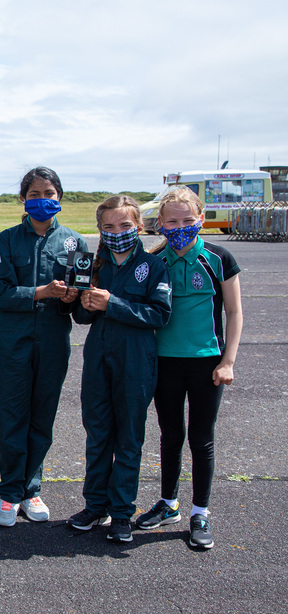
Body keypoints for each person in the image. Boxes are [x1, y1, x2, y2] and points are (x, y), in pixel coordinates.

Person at [134, 187, 243, 549]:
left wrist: (228, 360)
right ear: (160, 224)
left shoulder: (218, 257)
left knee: (201, 437)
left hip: (207, 363)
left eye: (187, 220)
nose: (180, 227)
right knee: (170, 435)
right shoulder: (156, 259)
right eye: (172, 221)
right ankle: (169, 504)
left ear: (201, 219)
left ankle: (200, 511)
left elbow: (234, 311)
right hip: (164, 361)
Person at [66, 195, 172, 542]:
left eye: (125, 226)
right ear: (100, 230)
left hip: (136, 360)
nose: (117, 232)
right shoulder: (92, 263)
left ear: (138, 227)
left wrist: (114, 303)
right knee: (98, 435)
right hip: (99, 357)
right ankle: (95, 504)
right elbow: (81, 318)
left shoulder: (154, 266)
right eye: (108, 227)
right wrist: (80, 300)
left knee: (128, 438)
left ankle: (122, 512)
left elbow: (159, 314)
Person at [0, 166, 87, 527]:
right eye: (34, 195)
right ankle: (10, 493)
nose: (42, 200)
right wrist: (40, 293)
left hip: (53, 342)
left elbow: (78, 308)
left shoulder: (75, 243)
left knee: (42, 418)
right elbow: (1, 294)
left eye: (49, 194)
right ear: (23, 199)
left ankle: (31, 490)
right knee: (12, 417)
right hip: (13, 344)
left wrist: (74, 298)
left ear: (59, 196)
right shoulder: (6, 241)